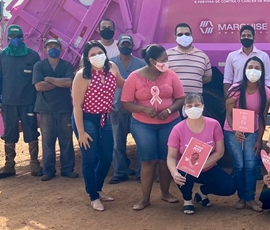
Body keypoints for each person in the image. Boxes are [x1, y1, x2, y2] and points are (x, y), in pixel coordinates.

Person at [121, 44, 186, 210]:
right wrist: (143, 109)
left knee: (166, 159)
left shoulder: (171, 75)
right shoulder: (134, 77)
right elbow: (126, 102)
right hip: (143, 125)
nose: (166, 62)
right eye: (163, 60)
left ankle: (165, 193)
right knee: (148, 160)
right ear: (152, 61)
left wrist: (169, 110)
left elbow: (180, 98)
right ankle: (145, 198)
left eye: (166, 59)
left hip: (170, 123)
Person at [72, 41, 125, 211]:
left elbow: (124, 84)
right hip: (87, 119)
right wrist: (81, 132)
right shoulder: (82, 75)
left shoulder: (112, 68)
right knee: (89, 158)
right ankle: (93, 196)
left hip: (105, 118)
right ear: (87, 58)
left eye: (99, 52)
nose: (97, 57)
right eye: (92, 54)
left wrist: (145, 80)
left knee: (107, 156)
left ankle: (98, 187)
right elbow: (77, 106)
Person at [167, 93, 236, 215]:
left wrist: (199, 167)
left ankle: (202, 191)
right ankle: (187, 200)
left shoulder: (214, 124)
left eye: (197, 105)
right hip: (186, 169)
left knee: (229, 187)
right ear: (184, 108)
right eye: (189, 106)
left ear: (203, 107)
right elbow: (171, 156)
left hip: (208, 167)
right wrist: (174, 172)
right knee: (182, 175)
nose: (193, 108)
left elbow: (220, 152)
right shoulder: (177, 129)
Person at [0, 24, 43, 179]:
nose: (15, 40)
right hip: (8, 102)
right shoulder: (0, 56)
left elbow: (37, 80)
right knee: (9, 133)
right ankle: (9, 166)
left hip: (28, 101)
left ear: (23, 38)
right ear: (7, 39)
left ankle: (34, 164)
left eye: (18, 37)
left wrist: (37, 102)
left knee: (32, 131)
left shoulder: (32, 56)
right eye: (12, 38)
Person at [224, 57, 270, 212]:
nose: (253, 71)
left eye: (257, 68)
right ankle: (241, 197)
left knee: (251, 165)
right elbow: (229, 113)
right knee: (239, 165)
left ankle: (251, 198)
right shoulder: (235, 89)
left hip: (253, 131)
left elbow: (263, 117)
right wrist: (235, 130)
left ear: (262, 72)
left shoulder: (266, 92)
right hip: (232, 131)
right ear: (244, 70)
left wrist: (259, 139)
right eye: (250, 67)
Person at [33, 38, 77, 181]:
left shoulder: (67, 65)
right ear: (45, 49)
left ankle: (68, 169)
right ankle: (48, 170)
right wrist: (59, 82)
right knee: (47, 140)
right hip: (45, 109)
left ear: (61, 49)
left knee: (66, 140)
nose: (53, 49)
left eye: (56, 46)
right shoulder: (39, 65)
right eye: (50, 46)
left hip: (64, 109)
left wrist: (49, 79)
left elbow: (69, 83)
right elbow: (39, 86)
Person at [108, 34, 146, 184]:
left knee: (141, 143)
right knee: (118, 144)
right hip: (117, 110)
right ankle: (120, 172)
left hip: (136, 110)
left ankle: (141, 172)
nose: (125, 47)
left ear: (132, 46)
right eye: (123, 44)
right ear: (118, 46)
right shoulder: (110, 64)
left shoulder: (140, 64)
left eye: (128, 44)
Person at [223, 25, 270, 95]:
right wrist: (228, 97)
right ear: (240, 38)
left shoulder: (263, 56)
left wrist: (265, 96)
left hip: (257, 94)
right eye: (243, 36)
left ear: (254, 37)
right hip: (237, 94)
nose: (246, 38)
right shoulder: (232, 56)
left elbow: (267, 80)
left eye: (249, 35)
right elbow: (227, 80)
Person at [167, 22, 212, 95]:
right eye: (180, 34)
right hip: (173, 101)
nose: (184, 36)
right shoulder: (167, 55)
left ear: (192, 36)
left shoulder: (202, 56)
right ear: (175, 37)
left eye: (187, 34)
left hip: (194, 102)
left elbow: (208, 78)